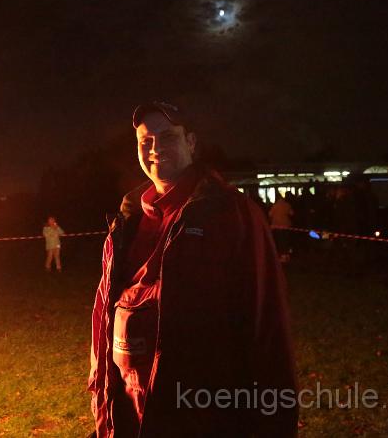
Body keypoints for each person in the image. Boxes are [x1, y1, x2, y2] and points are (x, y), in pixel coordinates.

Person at [88, 101, 297, 437]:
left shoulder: (231, 214)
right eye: (145, 141)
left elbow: (267, 328)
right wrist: (103, 409)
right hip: (129, 418)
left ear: (191, 142)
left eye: (168, 137)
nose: (155, 149)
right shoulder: (127, 222)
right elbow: (103, 319)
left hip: (200, 419)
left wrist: (273, 422)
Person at [269, 193, 294, 262]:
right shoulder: (287, 205)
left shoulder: (275, 206)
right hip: (286, 226)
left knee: (280, 241)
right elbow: (291, 213)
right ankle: (286, 254)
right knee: (286, 240)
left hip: (277, 226)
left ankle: (282, 256)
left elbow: (270, 214)